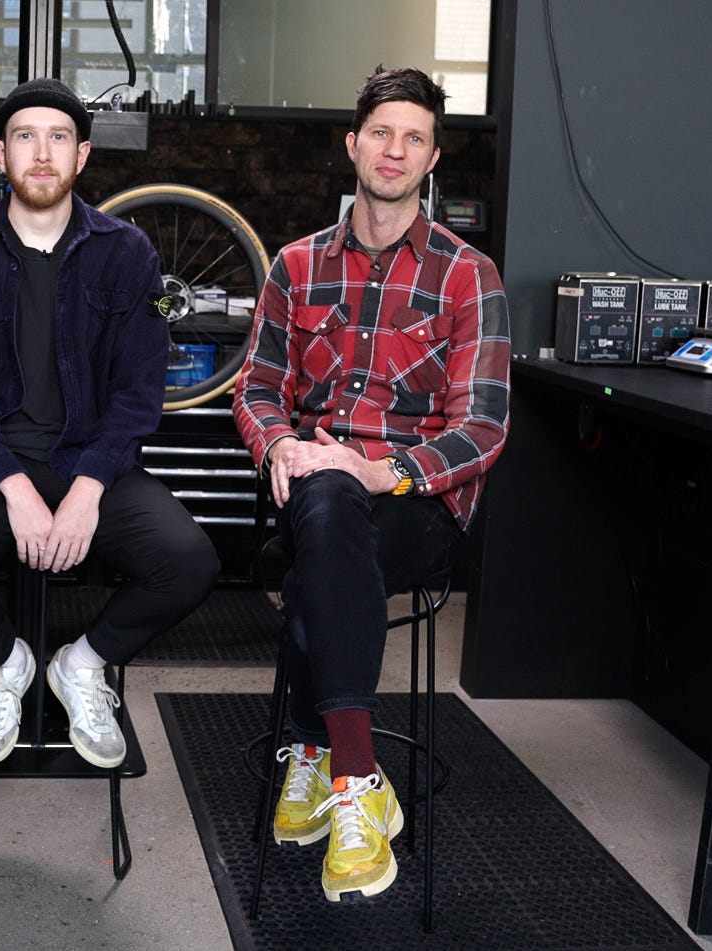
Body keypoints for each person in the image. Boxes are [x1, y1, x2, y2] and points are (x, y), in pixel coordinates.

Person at [232, 66, 510, 901]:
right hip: (312, 495)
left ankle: (327, 761)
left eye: (413, 138)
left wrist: (373, 469)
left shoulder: (468, 274)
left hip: (414, 510)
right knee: (321, 502)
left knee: (330, 514)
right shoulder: (294, 264)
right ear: (351, 145)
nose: (394, 150)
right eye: (380, 133)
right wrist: (280, 446)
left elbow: (484, 426)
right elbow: (254, 389)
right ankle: (355, 777)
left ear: (431, 160)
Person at [0, 78, 219, 770]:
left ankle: (80, 665)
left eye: (57, 138)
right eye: (24, 137)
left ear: (80, 156)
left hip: (89, 461)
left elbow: (140, 392)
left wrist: (85, 489)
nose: (40, 153)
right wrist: (15, 487)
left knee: (188, 560)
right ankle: (5, 663)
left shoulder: (129, 253)